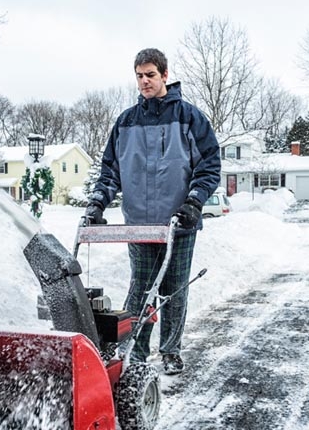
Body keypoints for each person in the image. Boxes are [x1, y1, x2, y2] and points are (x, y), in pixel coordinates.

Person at [84, 48, 221, 375]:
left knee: (173, 290)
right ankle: (136, 353)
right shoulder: (126, 122)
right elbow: (110, 171)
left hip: (179, 223)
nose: (144, 81)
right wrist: (98, 202)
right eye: (139, 76)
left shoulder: (189, 117)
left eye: (150, 75)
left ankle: (171, 350)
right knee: (141, 290)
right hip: (139, 225)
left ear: (164, 74)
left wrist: (195, 201)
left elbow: (210, 165)